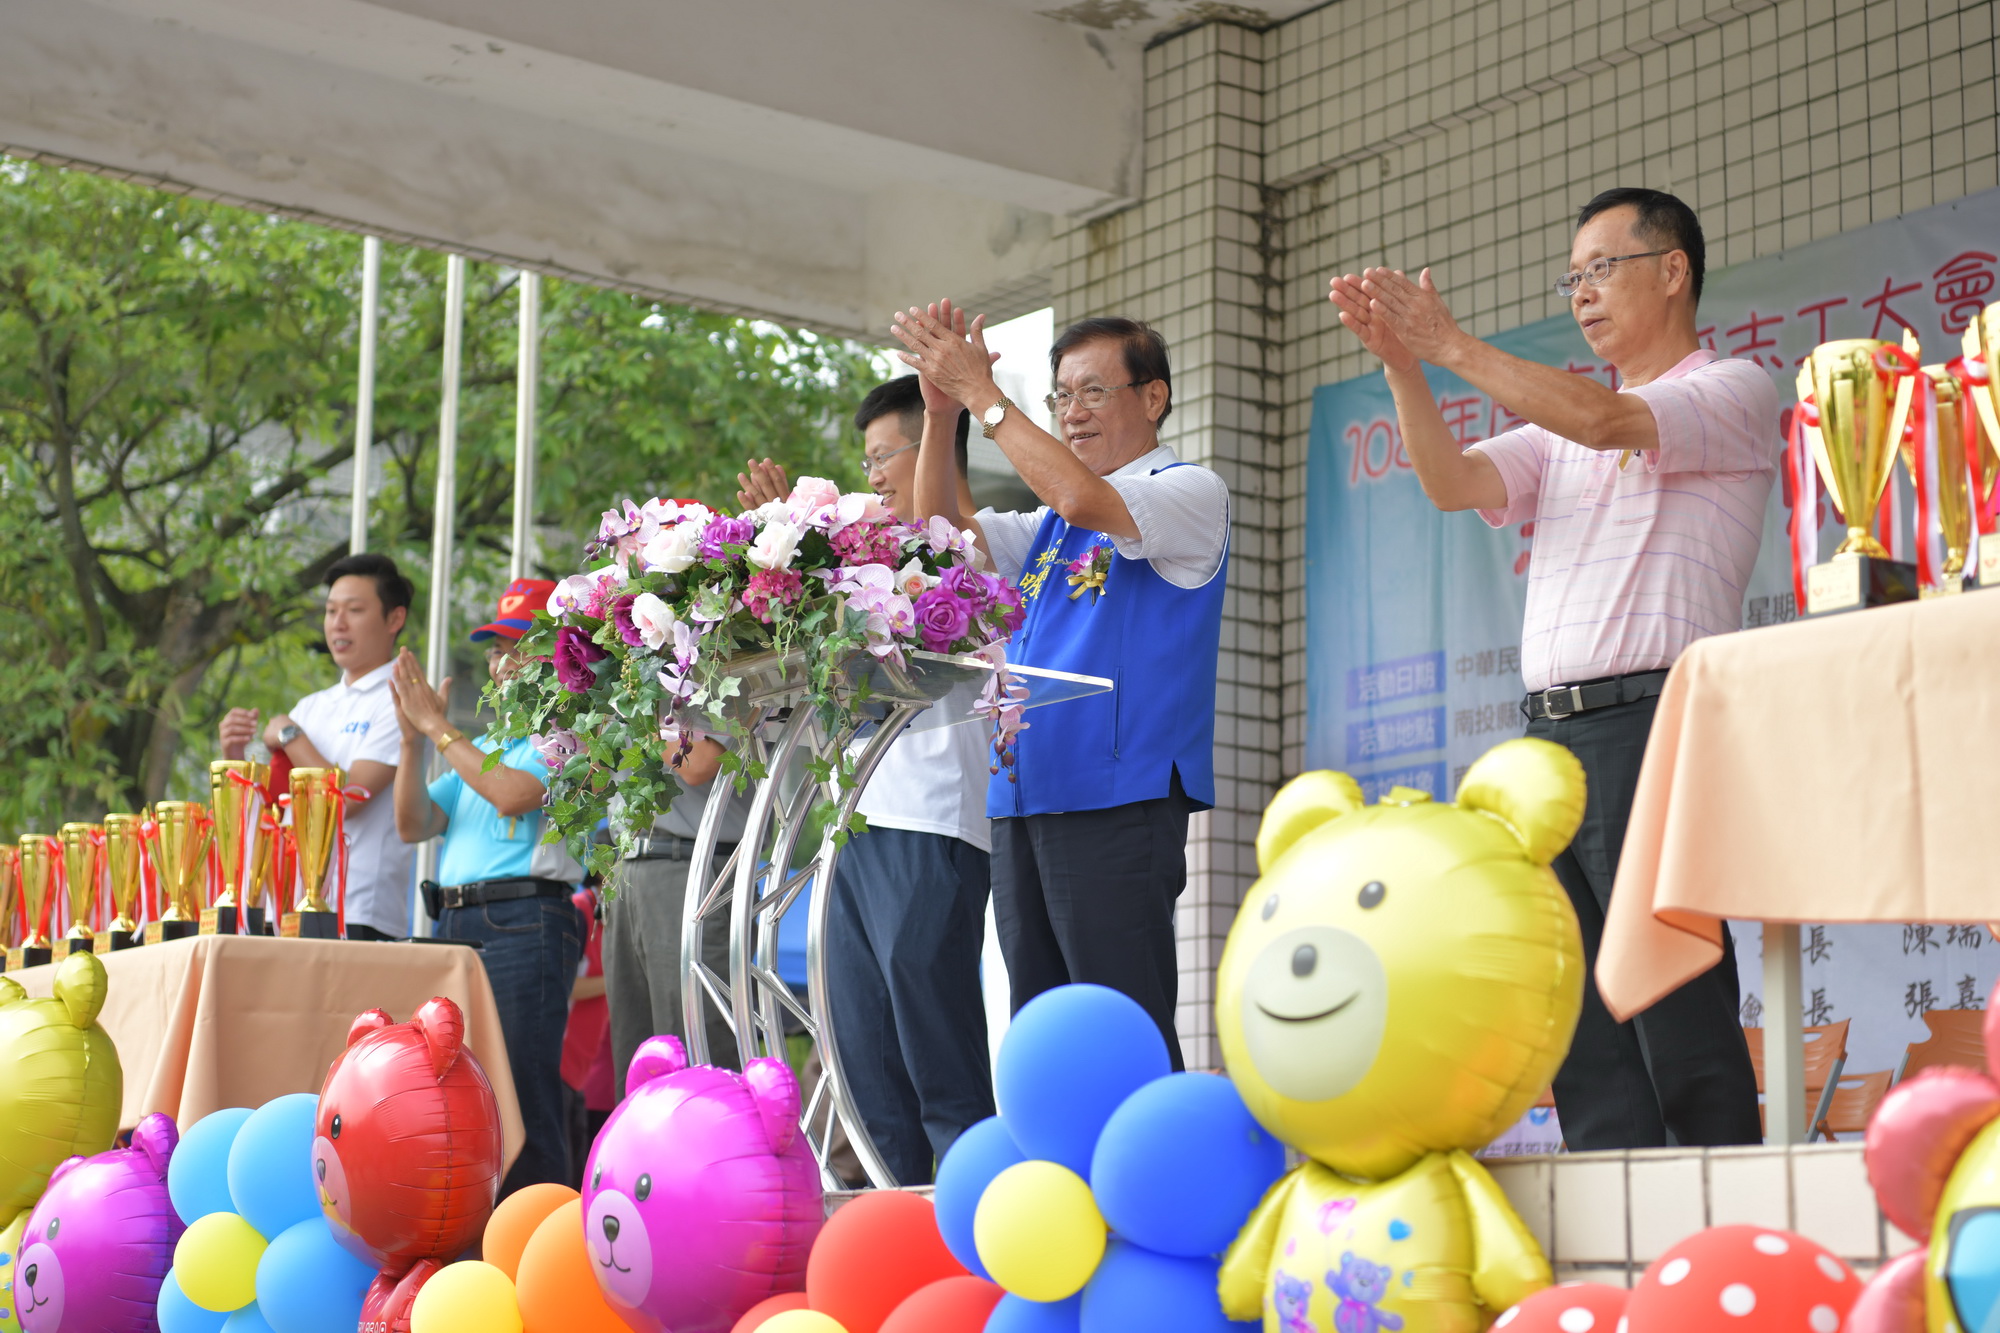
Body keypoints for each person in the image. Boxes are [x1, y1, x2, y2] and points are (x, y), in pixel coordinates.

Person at [1327, 186, 1770, 1149]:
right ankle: (1620, 1244)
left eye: (1601, 269)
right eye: (1572, 278)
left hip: (1656, 723)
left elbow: (1613, 424)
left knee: (1674, 992)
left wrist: (1451, 344)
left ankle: (1716, 1230)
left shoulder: (1729, 388)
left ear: (1673, 270)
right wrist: (1406, 367)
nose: (1582, 294)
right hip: (1548, 741)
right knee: (1576, 1006)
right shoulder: (1560, 431)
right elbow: (1453, 484)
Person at [891, 304, 1231, 1072]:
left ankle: (1151, 1184)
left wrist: (985, 396)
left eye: (1092, 393)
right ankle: (1070, 1188)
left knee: (1120, 1025)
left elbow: (1084, 499)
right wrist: (944, 417)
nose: (1072, 413)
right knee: (1046, 1037)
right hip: (1023, 798)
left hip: (1117, 797)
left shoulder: (1186, 490)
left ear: (1153, 397)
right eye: (1060, 397)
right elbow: (939, 538)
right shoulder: (1046, 529)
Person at [735, 375, 996, 1184]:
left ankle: (967, 1237)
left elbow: (936, 540)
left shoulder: (961, 546)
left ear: (937, 446)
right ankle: (892, 1231)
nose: (873, 473)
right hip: (853, 828)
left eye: (888, 454)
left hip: (931, 826)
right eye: (868, 457)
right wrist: (785, 540)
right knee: (860, 1054)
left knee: (935, 1055)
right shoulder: (869, 565)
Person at [387, 577, 585, 1194]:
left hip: (526, 923)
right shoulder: (491, 744)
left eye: (516, 643)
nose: (501, 661)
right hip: (458, 927)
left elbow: (510, 793)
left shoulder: (573, 731)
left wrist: (440, 730)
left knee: (520, 1090)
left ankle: (541, 1240)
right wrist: (411, 738)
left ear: (557, 651)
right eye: (495, 649)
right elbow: (413, 822)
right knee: (463, 1091)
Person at [218, 552, 414, 940]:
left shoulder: (400, 700)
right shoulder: (311, 706)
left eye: (354, 610)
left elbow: (350, 798)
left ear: (395, 619)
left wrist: (292, 737)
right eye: (330, 611)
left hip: (357, 910)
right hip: (286, 906)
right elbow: (271, 810)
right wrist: (233, 756)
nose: (338, 623)